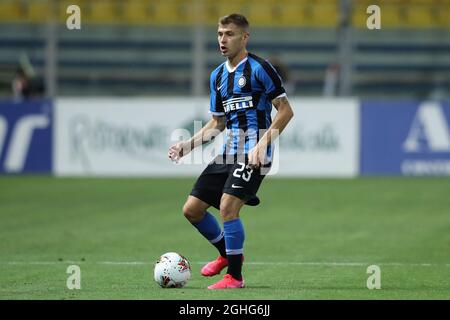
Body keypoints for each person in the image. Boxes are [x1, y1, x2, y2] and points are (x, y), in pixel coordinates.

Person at [168, 13, 294, 289]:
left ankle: (235, 278)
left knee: (227, 207)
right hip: (227, 154)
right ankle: (228, 254)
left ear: (244, 37)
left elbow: (285, 111)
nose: (222, 40)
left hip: (254, 154)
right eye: (219, 34)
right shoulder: (217, 76)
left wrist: (262, 144)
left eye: (229, 34)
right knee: (192, 210)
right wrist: (187, 145)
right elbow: (219, 122)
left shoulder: (261, 68)